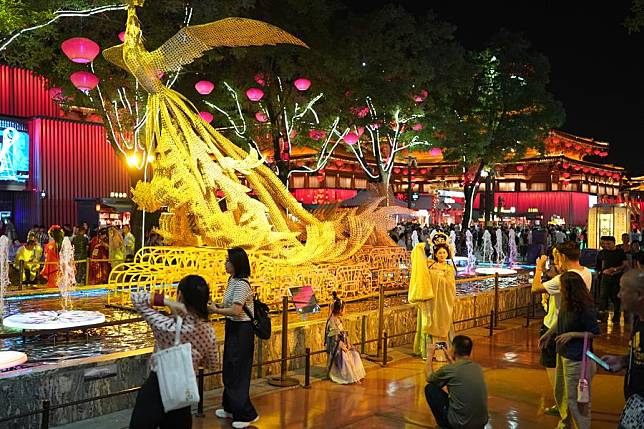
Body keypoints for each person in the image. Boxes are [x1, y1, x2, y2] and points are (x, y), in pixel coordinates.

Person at [129, 275, 218, 429]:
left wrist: (167, 301)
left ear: (180, 296)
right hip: (182, 392)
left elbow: (136, 298)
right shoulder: (208, 330)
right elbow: (213, 364)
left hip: (156, 388)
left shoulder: (166, 326)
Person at [531, 241, 593, 415]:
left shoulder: (563, 279)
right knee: (567, 369)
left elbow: (535, 288)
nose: (555, 260)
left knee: (554, 368)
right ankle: (568, 404)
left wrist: (538, 268)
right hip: (571, 325)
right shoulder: (586, 273)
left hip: (554, 325)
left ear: (564, 256)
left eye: (556, 256)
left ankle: (562, 405)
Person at [539, 272, 601, 429]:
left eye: (562, 287)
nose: (560, 289)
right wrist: (549, 333)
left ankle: (581, 426)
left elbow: (595, 332)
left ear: (570, 288)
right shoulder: (566, 303)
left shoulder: (585, 308)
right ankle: (565, 422)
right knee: (562, 392)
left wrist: (573, 334)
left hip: (576, 358)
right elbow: (560, 320)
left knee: (576, 399)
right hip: (562, 352)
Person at [209, 247, 259, 429]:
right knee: (229, 368)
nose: (225, 263)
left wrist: (216, 311)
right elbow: (229, 305)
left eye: (228, 260)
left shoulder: (242, 284)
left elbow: (237, 311)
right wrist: (218, 305)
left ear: (237, 263)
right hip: (233, 327)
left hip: (242, 330)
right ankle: (230, 407)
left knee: (238, 370)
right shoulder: (232, 280)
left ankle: (247, 414)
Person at [601, 269, 644, 420]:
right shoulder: (639, 320)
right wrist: (624, 361)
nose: (618, 295)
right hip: (635, 403)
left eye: (623, 290)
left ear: (639, 295)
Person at [424, 335, 488, 429]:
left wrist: (429, 355)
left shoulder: (450, 370)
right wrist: (450, 359)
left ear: (453, 349)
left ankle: (445, 426)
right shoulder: (477, 367)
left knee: (430, 389)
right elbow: (459, 372)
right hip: (481, 423)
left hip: (460, 424)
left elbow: (429, 377)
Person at [426, 238, 457, 362]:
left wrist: (437, 277)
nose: (442, 255)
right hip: (434, 301)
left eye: (444, 252)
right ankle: (432, 352)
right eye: (439, 253)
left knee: (444, 327)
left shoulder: (449, 268)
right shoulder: (431, 265)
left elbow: (450, 284)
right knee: (433, 325)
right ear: (435, 254)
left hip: (444, 302)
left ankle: (442, 352)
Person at [325, 291, 365, 384]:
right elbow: (335, 338)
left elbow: (343, 334)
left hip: (341, 344)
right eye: (344, 309)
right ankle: (346, 376)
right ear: (339, 310)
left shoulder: (338, 319)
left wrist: (348, 343)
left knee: (355, 354)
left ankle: (354, 375)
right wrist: (343, 347)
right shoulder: (331, 322)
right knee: (346, 356)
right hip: (335, 347)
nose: (345, 310)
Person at [597, 236, 629, 324]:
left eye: (608, 243)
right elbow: (599, 265)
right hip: (605, 277)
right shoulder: (602, 253)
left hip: (616, 277)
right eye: (605, 243)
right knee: (603, 296)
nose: (606, 245)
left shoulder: (620, 252)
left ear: (614, 243)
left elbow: (625, 264)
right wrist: (602, 272)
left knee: (616, 297)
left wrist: (614, 270)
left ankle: (616, 316)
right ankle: (602, 316)